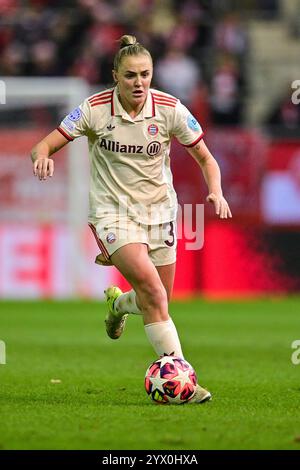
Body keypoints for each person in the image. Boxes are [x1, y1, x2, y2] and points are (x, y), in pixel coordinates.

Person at [30, 35, 232, 403]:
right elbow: (43, 144)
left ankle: (117, 306)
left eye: (145, 74)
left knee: (156, 302)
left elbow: (206, 157)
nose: (138, 82)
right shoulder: (93, 109)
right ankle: (181, 379)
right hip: (112, 214)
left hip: (160, 213)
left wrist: (216, 192)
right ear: (115, 76)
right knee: (153, 293)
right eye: (130, 76)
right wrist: (42, 156)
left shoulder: (170, 109)